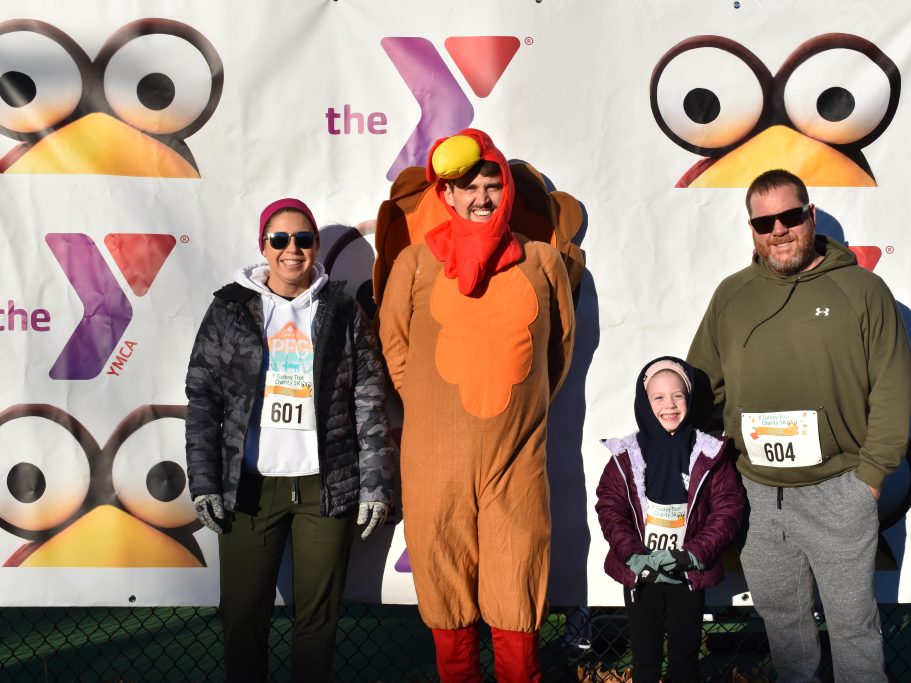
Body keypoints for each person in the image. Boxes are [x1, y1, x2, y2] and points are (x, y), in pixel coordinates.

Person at [687, 169, 911, 682]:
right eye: (764, 221)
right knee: (785, 629)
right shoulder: (731, 296)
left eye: (790, 217)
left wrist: (870, 481)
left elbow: (894, 387)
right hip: (758, 497)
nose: (779, 230)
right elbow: (704, 386)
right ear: (752, 229)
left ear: (810, 216)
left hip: (841, 491)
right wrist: (716, 470)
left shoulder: (863, 289)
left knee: (854, 628)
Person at [377, 129, 576, 682]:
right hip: (433, 462)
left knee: (517, 576)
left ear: (506, 190)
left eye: (492, 185)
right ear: (447, 194)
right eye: (468, 187)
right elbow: (394, 345)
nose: (481, 197)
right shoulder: (415, 264)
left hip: (517, 459)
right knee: (444, 578)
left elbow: (557, 352)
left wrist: (521, 408)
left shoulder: (541, 262)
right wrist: (425, 402)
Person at [184, 198, 395, 682]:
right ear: (264, 246)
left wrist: (376, 485)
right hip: (250, 488)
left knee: (317, 623)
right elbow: (202, 399)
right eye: (279, 239)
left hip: (326, 487)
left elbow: (368, 400)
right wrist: (205, 483)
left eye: (303, 239)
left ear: (316, 246)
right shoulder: (230, 309)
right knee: (242, 619)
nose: (291, 249)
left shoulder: (341, 311)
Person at [596, 356, 744, 682]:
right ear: (644, 402)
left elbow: (728, 508)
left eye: (678, 395)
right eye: (658, 397)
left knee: (684, 662)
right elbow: (610, 508)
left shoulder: (710, 454)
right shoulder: (625, 455)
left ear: (689, 400)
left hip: (686, 573)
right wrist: (633, 555)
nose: (670, 405)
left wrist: (692, 554)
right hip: (642, 573)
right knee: (645, 662)